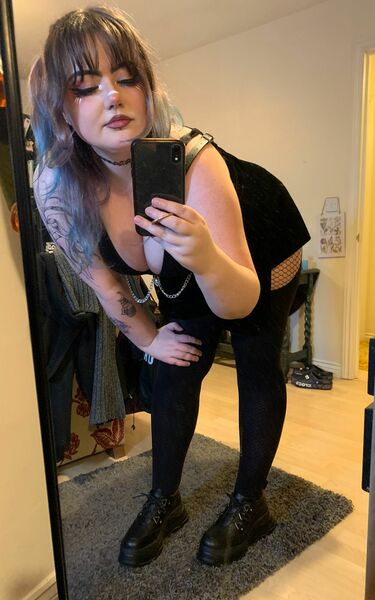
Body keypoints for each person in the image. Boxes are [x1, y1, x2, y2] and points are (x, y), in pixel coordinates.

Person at [30, 6, 310, 568]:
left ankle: (250, 502)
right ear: (62, 107)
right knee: (175, 362)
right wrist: (148, 339)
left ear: (147, 86)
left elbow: (239, 301)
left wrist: (205, 257)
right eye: (86, 86)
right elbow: (103, 282)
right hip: (189, 259)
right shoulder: (57, 187)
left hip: (261, 237)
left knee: (256, 358)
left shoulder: (194, 161)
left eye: (126, 77)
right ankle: (165, 498)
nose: (113, 96)